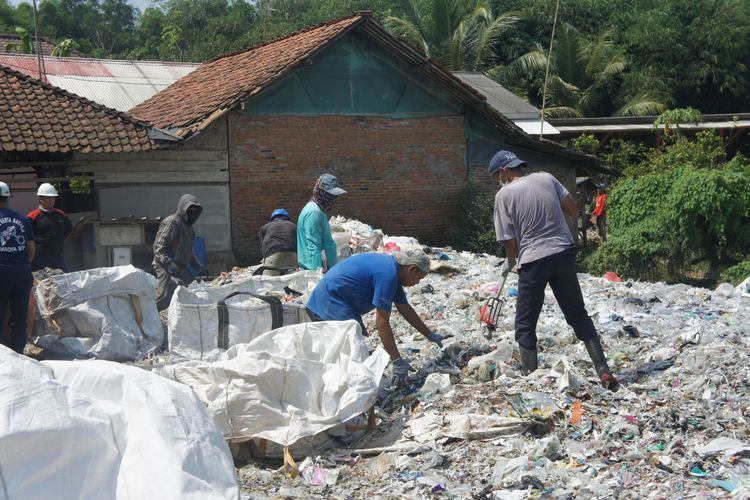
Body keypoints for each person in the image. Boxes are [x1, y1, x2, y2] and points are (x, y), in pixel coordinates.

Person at [489, 150, 619, 391]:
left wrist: (510, 260)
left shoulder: (504, 195)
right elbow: (572, 210)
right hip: (563, 255)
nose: (499, 178)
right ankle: (603, 370)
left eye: (498, 174)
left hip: (533, 262)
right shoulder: (547, 178)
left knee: (526, 324)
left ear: (504, 171)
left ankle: (531, 380)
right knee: (578, 315)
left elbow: (509, 240)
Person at [306, 249, 448, 386]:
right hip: (329, 303)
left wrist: (430, 335)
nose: (417, 283)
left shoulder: (393, 272)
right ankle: (355, 398)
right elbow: (382, 323)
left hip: (338, 303)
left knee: (360, 350)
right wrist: (397, 360)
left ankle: (362, 394)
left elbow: (405, 308)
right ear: (411, 269)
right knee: (357, 352)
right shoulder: (387, 275)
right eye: (419, 278)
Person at [0, 181, 36, 354]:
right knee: (19, 317)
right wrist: (19, 265)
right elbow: (31, 251)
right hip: (22, 274)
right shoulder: (22, 219)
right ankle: (18, 355)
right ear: (6, 198)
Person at [152, 194, 204, 311]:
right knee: (165, 295)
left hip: (180, 267)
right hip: (164, 265)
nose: (193, 215)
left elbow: (189, 250)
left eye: (195, 212)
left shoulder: (189, 228)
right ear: (183, 210)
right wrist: (169, 263)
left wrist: (197, 265)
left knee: (193, 290)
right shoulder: (171, 223)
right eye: (190, 211)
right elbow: (158, 247)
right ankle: (148, 315)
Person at [297, 173, 345, 271]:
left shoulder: (319, 210)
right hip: (317, 270)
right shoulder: (314, 212)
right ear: (321, 192)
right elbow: (313, 245)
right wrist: (316, 276)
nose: (333, 199)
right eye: (331, 195)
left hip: (326, 268)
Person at [26, 182, 72, 272]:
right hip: (39, 259)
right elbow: (27, 237)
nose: (51, 200)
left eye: (53, 198)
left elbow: (68, 229)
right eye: (48, 198)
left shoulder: (61, 214)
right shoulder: (32, 216)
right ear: (40, 199)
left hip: (57, 258)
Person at [258, 208, 297, 276]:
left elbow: (262, 245)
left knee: (269, 283)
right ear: (287, 218)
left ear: (272, 219)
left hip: (273, 254)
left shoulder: (266, 227)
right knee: (291, 284)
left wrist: (265, 258)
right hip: (292, 255)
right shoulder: (293, 226)